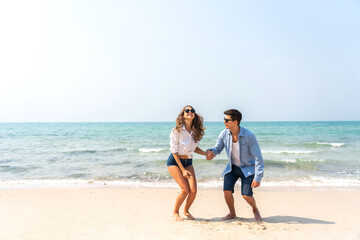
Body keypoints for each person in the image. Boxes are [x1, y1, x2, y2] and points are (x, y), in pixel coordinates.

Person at [206, 109, 264, 222]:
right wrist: (210, 151)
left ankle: (255, 209)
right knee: (226, 191)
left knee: (246, 195)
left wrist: (258, 178)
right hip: (232, 168)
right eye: (224, 119)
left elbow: (258, 158)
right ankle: (232, 213)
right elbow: (217, 148)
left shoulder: (249, 136)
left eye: (227, 120)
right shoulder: (224, 134)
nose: (224, 122)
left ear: (235, 122)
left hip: (247, 168)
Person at [167, 105, 208, 221]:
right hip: (175, 162)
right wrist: (183, 169)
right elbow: (174, 152)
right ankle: (175, 212)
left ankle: (186, 210)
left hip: (188, 161)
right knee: (185, 190)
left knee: (193, 191)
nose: (190, 112)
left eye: (192, 111)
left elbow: (194, 148)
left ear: (194, 114)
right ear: (183, 114)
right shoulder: (177, 131)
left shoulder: (195, 132)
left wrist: (206, 154)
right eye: (187, 110)